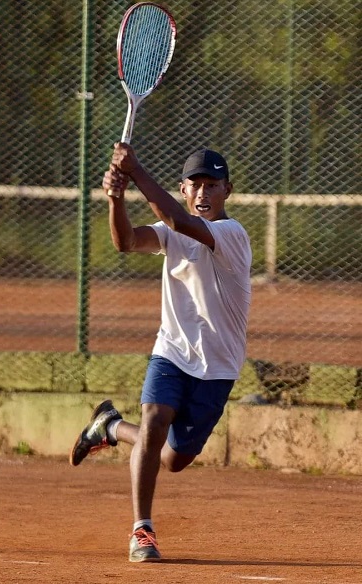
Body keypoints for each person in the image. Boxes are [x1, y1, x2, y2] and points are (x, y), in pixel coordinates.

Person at [69, 143, 252, 563]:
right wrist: (115, 200)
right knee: (154, 418)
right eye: (195, 185)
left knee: (171, 458)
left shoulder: (231, 234)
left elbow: (177, 219)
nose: (204, 193)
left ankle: (111, 427)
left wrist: (135, 171)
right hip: (171, 351)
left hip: (219, 365)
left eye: (213, 185)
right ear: (183, 188)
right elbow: (126, 241)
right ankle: (143, 531)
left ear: (228, 190)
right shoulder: (171, 232)